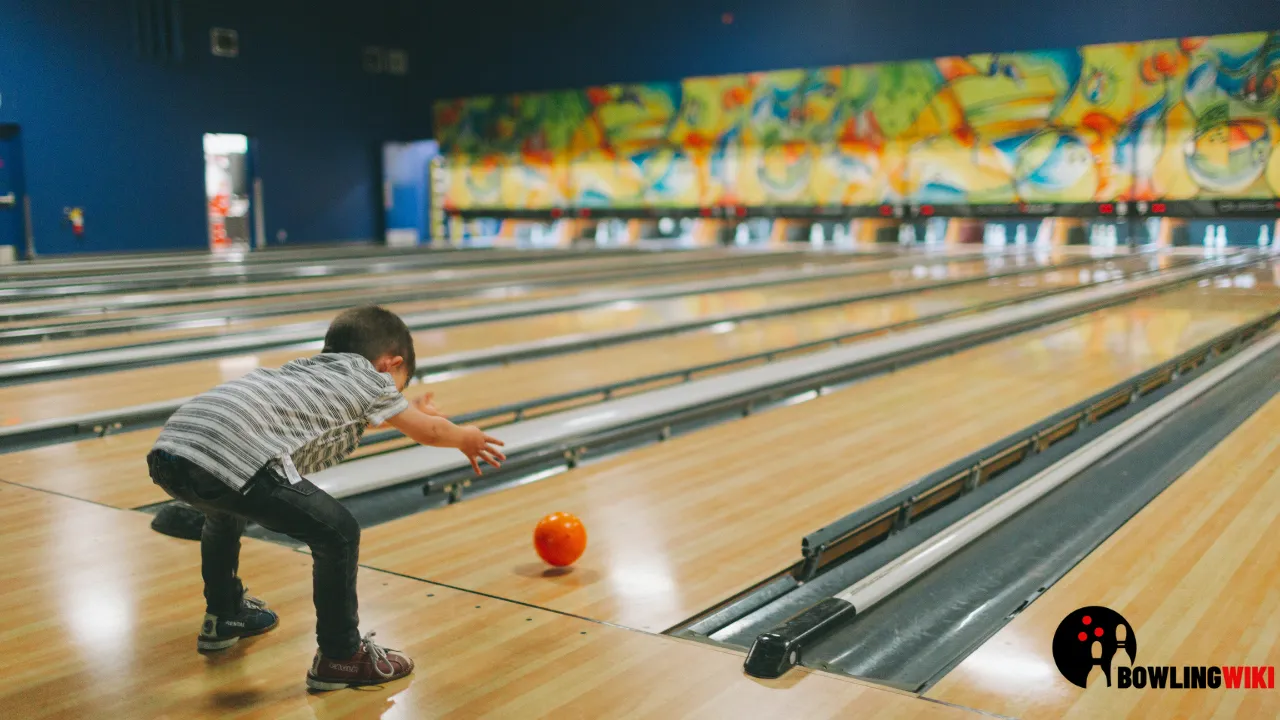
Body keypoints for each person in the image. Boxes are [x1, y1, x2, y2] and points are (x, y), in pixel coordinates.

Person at [147, 305, 505, 691]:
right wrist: (465, 437)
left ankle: (223, 616)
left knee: (222, 514)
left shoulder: (310, 370)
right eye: (400, 389)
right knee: (338, 533)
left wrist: (408, 410)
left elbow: (357, 414)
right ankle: (341, 657)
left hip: (175, 449)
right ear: (390, 365)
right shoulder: (375, 381)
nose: (395, 398)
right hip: (237, 453)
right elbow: (431, 433)